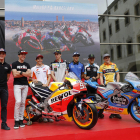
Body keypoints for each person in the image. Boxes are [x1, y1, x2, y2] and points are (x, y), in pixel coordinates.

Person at [30, 54, 53, 122]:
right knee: (39, 102)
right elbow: (31, 78)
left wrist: (47, 84)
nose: (40, 60)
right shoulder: (33, 68)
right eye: (38, 59)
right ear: (36, 60)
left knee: (48, 102)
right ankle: (42, 117)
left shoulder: (46, 67)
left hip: (45, 86)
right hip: (37, 88)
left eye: (41, 58)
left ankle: (49, 116)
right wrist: (33, 80)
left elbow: (49, 76)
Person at [12, 50, 31, 129]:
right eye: (22, 54)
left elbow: (29, 74)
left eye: (24, 54)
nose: (23, 56)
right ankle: (16, 121)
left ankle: (21, 120)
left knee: (23, 102)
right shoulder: (14, 64)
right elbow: (14, 75)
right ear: (18, 55)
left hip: (25, 85)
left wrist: (20, 72)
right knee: (18, 102)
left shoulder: (27, 64)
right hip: (17, 85)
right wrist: (24, 73)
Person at [99, 53, 121, 119]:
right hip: (107, 85)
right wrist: (102, 83)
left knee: (116, 99)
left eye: (108, 57)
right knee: (109, 100)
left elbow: (117, 74)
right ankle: (111, 113)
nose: (107, 59)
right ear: (103, 59)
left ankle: (117, 113)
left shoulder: (114, 65)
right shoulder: (102, 66)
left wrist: (117, 82)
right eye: (106, 58)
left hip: (114, 85)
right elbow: (100, 75)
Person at [0, 48, 11, 130]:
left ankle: (3, 124)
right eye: (0, 53)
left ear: (5, 55)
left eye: (3, 53)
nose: (1, 55)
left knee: (4, 106)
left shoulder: (7, 66)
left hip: (4, 89)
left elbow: (7, 77)